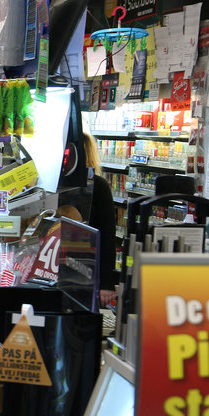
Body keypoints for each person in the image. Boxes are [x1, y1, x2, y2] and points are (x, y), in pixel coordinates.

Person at [82, 131, 117, 306]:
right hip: (87, 267)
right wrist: (106, 283)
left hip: (82, 269)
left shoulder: (97, 186)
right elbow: (108, 236)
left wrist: (106, 283)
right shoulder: (100, 185)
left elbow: (107, 235)